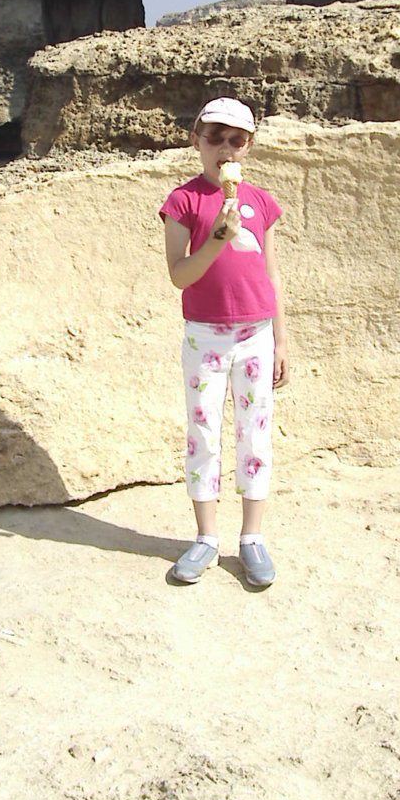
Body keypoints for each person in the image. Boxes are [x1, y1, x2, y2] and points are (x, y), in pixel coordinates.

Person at [159, 96, 289, 586]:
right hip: (206, 336)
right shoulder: (184, 201)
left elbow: (271, 275)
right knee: (205, 432)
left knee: (255, 433)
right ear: (196, 141)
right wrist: (215, 237)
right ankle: (206, 536)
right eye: (214, 137)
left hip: (255, 333)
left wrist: (281, 339)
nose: (225, 149)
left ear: (248, 147)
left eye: (236, 140)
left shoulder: (261, 203)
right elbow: (179, 275)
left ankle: (252, 538)